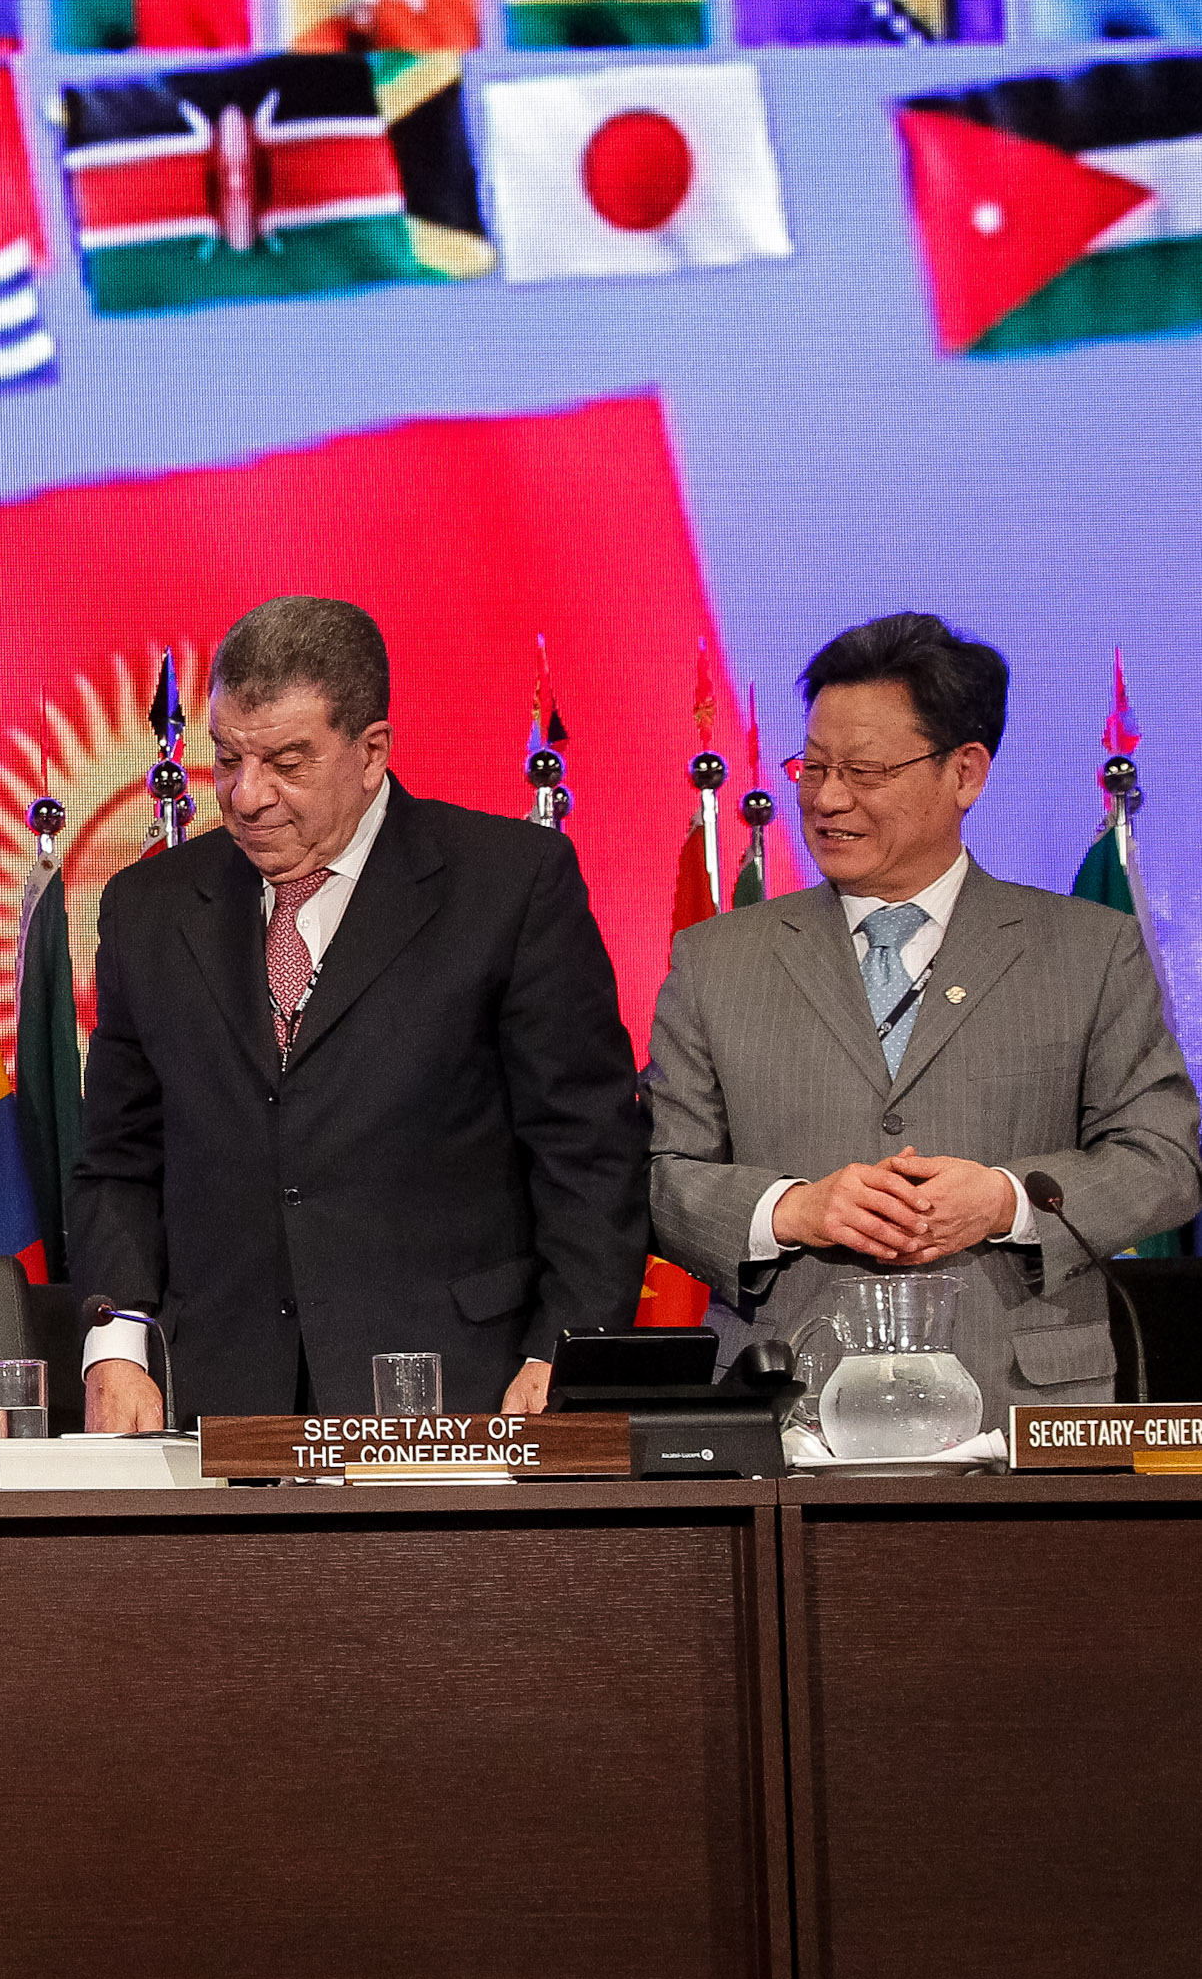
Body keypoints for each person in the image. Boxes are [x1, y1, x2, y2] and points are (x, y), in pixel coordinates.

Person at [74, 596, 648, 1429]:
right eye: (227, 757)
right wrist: (119, 1341)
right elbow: (118, 1159)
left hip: (461, 1392)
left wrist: (566, 1346)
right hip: (218, 1399)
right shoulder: (148, 909)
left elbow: (588, 1150)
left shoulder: (510, 886)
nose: (246, 794)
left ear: (372, 751)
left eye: (287, 762)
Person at [647, 613, 1199, 1427]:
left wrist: (1007, 1200)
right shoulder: (715, 960)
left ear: (966, 773)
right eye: (815, 766)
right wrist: (790, 1210)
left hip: (1025, 1410)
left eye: (866, 771)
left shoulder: (1088, 949)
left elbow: (1165, 1159)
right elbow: (660, 1172)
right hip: (786, 1410)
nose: (829, 798)